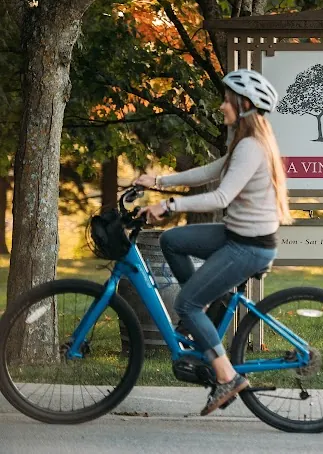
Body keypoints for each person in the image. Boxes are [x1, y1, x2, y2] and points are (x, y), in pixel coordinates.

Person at [134, 69, 292, 416]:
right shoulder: (244, 143)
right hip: (236, 235)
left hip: (249, 247)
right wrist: (158, 181)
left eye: (227, 100)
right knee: (172, 241)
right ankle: (203, 308)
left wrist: (169, 205)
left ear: (244, 104)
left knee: (186, 304)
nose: (221, 106)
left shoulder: (251, 147)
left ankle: (227, 376)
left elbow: (221, 197)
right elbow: (209, 172)